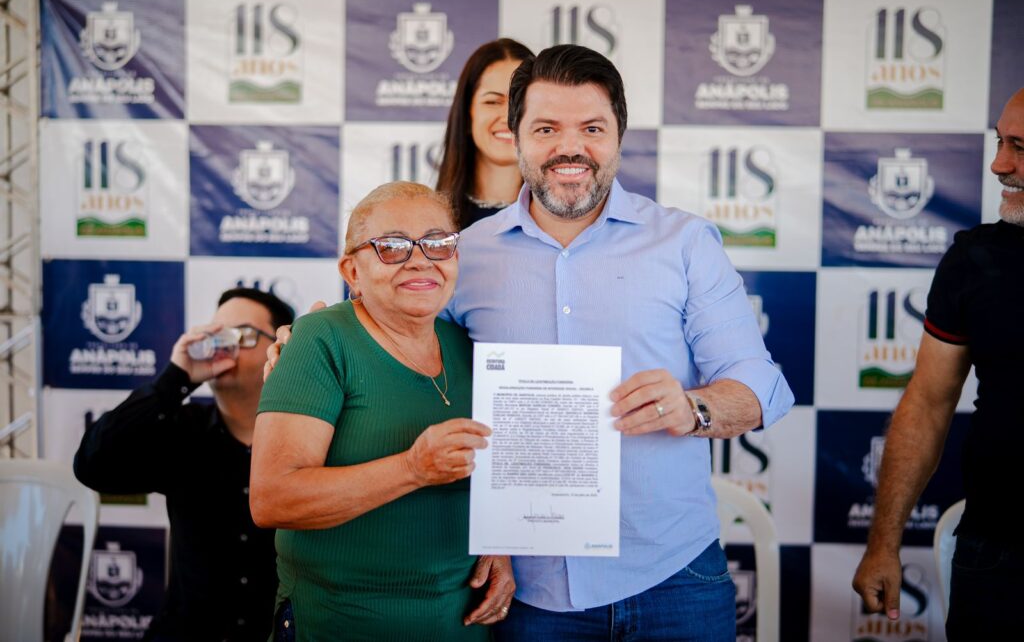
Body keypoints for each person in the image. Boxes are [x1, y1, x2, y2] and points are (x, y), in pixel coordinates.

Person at [268, 46, 794, 641]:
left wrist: (693, 408)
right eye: (546, 129)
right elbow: (389, 341)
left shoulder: (685, 242)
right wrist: (302, 343)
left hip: (672, 578)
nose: (570, 147)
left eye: (592, 128)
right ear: (514, 137)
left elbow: (763, 387)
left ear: (619, 136)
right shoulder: (462, 254)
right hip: (523, 590)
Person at [250, 181, 515, 642]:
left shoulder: (468, 346)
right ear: (351, 270)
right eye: (392, 246)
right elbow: (273, 498)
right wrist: (413, 468)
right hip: (340, 623)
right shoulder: (320, 340)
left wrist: (502, 547)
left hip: (461, 623)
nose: (420, 260)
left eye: (437, 243)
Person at [852, 88, 1024, 639]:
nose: (999, 165)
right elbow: (927, 404)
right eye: (1000, 143)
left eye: (1020, 148)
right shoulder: (975, 258)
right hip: (997, 556)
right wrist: (884, 542)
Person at [73, 287, 294, 642]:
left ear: (279, 351)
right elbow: (92, 464)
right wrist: (176, 377)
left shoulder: (306, 440)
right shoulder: (184, 429)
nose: (225, 346)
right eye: (217, 334)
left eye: (242, 335)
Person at [436, 38, 534, 228]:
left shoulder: (564, 220)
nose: (508, 117)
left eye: (520, 101)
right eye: (493, 102)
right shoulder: (431, 222)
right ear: (467, 114)